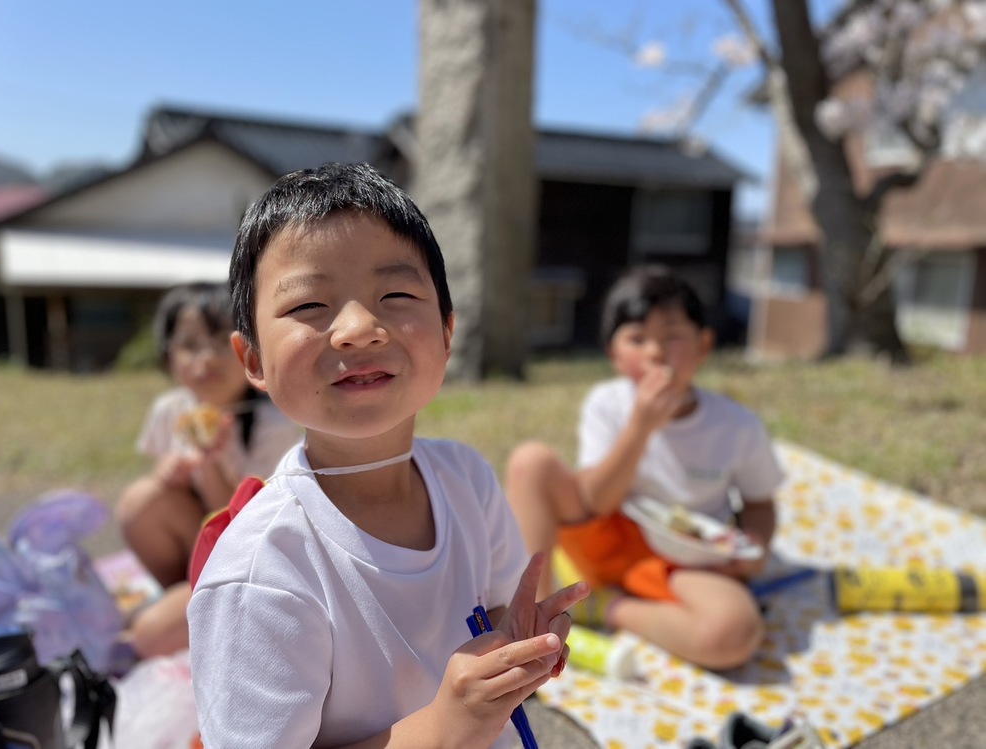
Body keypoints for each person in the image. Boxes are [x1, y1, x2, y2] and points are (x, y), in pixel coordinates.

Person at [187, 162, 588, 748]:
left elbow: (498, 607)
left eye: (396, 294)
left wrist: (518, 646)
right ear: (252, 361)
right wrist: (446, 725)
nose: (359, 328)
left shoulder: (467, 478)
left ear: (448, 332)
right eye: (308, 306)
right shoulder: (263, 574)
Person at [505, 268, 784, 670]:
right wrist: (640, 428)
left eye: (672, 336)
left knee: (734, 634)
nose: (655, 352)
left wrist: (755, 548)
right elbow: (595, 500)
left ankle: (605, 609)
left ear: (704, 345)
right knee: (530, 462)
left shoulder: (736, 425)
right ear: (614, 355)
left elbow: (760, 503)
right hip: (606, 535)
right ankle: (534, 624)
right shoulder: (608, 404)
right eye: (637, 339)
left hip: (682, 561)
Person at [115, 281, 302, 658]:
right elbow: (166, 498)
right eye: (189, 345)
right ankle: (177, 592)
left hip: (247, 557)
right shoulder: (172, 409)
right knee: (141, 499)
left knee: (146, 637)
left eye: (219, 344)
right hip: (195, 540)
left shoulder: (273, 422)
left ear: (248, 351)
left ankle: (201, 605)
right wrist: (170, 475)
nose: (205, 360)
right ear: (168, 356)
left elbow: (244, 525)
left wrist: (212, 460)